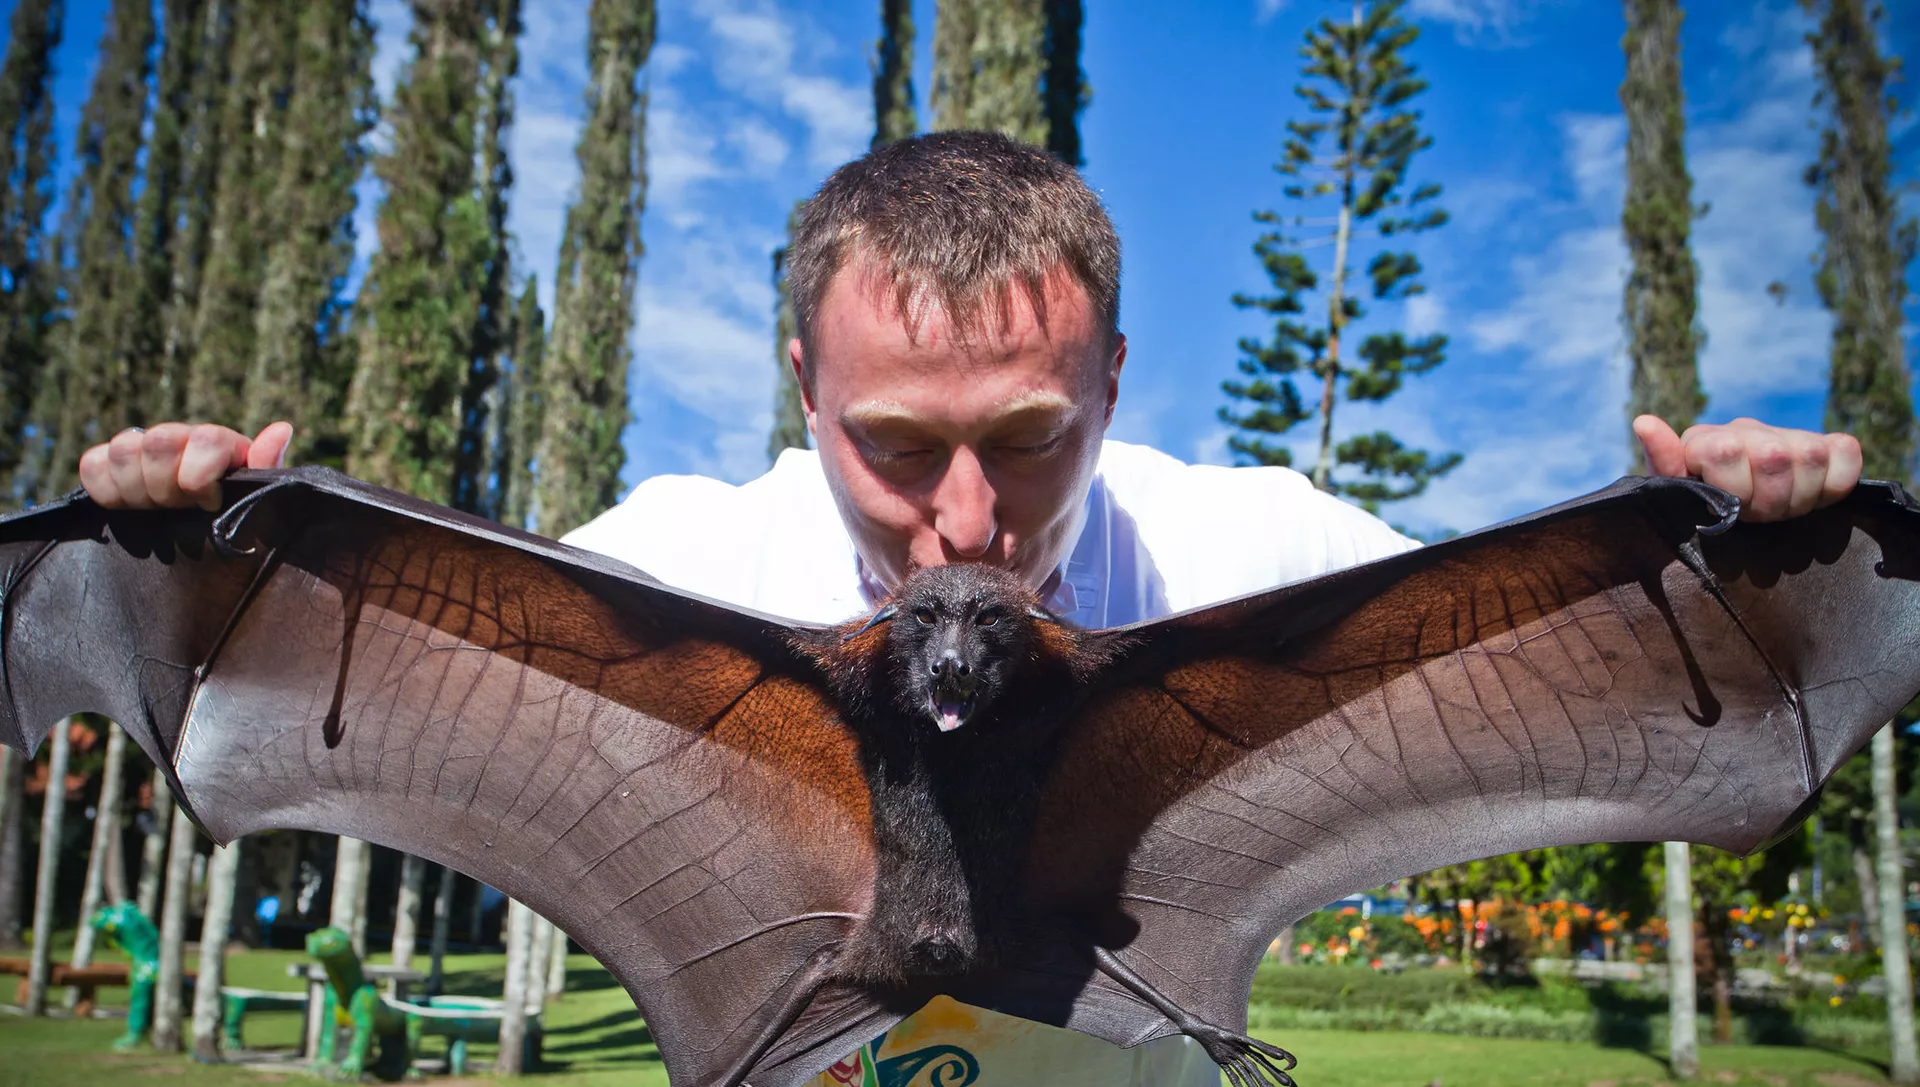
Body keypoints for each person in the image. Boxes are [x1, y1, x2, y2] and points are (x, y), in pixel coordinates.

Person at [78, 131, 1863, 1085]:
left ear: (1113, 384)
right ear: (804, 392)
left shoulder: (1255, 547)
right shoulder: (674, 570)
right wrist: (200, 561)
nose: (963, 519)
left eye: (1027, 440)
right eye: (894, 447)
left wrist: (1741, 563)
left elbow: (1538, 635)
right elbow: (419, 636)